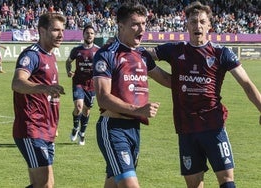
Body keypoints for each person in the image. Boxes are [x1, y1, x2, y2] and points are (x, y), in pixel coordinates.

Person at [148, 1, 261, 188]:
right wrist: (122, 47)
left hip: (213, 127)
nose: (197, 26)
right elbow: (144, 55)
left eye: (202, 21)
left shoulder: (221, 53)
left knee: (226, 181)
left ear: (209, 26)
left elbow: (247, 84)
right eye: (193, 21)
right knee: (194, 185)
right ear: (187, 25)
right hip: (186, 129)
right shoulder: (175, 50)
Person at [93, 3, 171, 188]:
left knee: (113, 184)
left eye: (144, 23)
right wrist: (138, 109)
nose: (142, 28)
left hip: (134, 129)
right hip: (113, 128)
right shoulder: (107, 54)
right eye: (135, 24)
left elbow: (167, 80)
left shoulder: (142, 55)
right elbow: (103, 97)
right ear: (121, 26)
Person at [11, 12, 66, 188]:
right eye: (55, 30)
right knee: (43, 184)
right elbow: (18, 82)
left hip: (46, 128)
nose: (61, 34)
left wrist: (54, 125)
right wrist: (44, 88)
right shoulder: (32, 55)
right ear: (42, 31)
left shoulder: (51, 56)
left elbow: (51, 98)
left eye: (62, 30)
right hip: (31, 127)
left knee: (46, 184)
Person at [66, 24, 99, 145]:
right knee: (79, 107)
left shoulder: (98, 51)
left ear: (94, 35)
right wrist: (68, 71)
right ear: (83, 34)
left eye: (91, 33)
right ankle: (75, 128)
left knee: (87, 110)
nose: (89, 35)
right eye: (87, 33)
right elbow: (68, 62)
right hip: (78, 82)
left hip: (91, 85)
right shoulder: (77, 50)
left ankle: (82, 133)